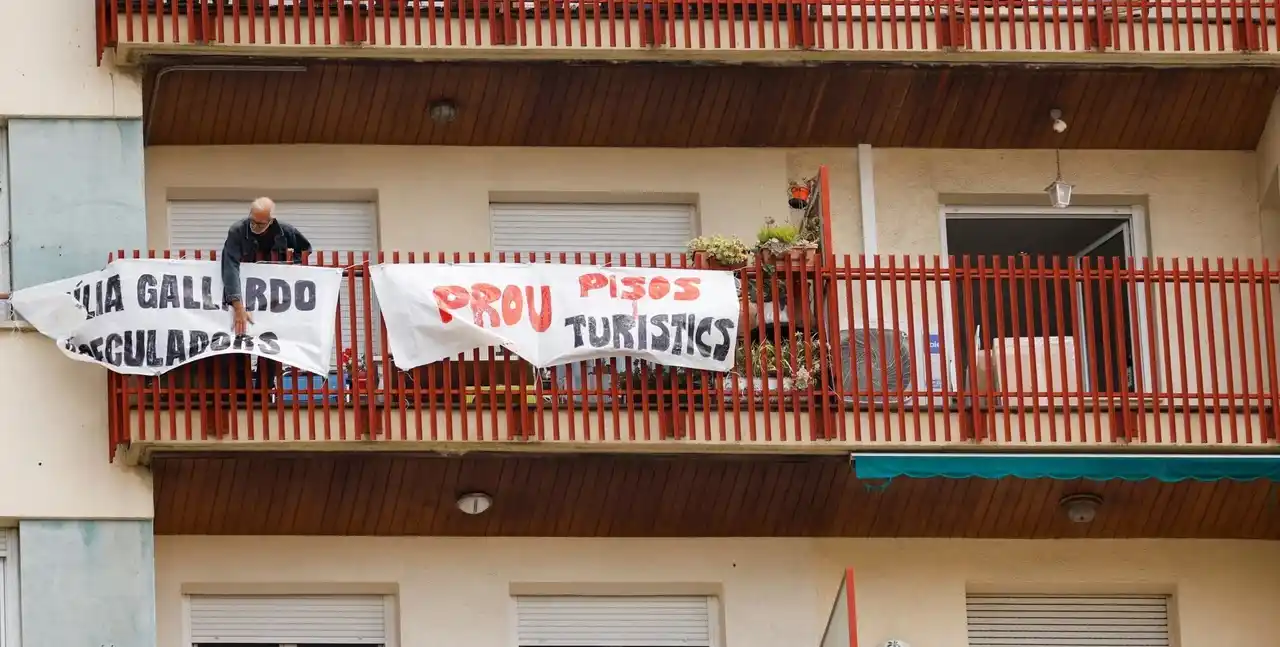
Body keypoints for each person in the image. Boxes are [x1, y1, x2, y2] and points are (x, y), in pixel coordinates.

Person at [221, 197, 313, 335]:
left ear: (271, 221)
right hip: (247, 293)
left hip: (276, 297)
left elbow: (306, 250)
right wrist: (238, 307)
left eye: (260, 224)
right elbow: (230, 266)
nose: (254, 226)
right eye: (252, 221)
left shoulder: (286, 231)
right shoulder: (237, 231)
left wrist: (287, 266)